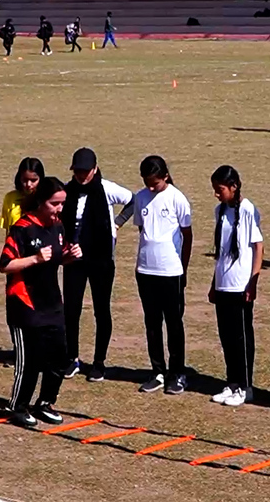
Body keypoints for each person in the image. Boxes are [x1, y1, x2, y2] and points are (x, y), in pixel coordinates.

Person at [0, 177, 83, 428]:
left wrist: (69, 257)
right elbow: (5, 265)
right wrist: (34, 258)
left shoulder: (57, 226)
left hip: (52, 303)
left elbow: (56, 259)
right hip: (25, 304)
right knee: (30, 360)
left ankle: (45, 402)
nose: (59, 209)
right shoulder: (22, 228)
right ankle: (18, 405)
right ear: (40, 201)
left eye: (62, 204)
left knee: (59, 356)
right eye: (54, 204)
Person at [61, 147, 135, 382]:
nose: (81, 176)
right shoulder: (68, 190)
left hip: (101, 260)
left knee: (101, 310)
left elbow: (132, 201)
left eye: (85, 171)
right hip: (74, 259)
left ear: (94, 169)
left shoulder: (106, 189)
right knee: (70, 309)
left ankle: (99, 363)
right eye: (77, 171)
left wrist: (117, 224)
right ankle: (71, 358)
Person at [132, 155, 192, 395]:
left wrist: (183, 267)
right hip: (145, 269)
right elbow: (141, 228)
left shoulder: (178, 199)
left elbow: (187, 236)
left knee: (174, 323)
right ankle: (157, 370)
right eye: (146, 182)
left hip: (171, 271)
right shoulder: (141, 197)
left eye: (154, 182)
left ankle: (177, 373)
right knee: (152, 323)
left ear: (165, 176)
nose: (150, 187)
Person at [207, 166, 264, 408]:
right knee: (226, 336)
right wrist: (213, 282)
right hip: (223, 284)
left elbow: (258, 247)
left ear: (234, 187)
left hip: (241, 285)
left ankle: (245, 386)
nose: (217, 194)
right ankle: (232, 382)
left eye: (220, 189)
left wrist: (253, 280)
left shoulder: (249, 209)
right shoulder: (219, 211)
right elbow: (220, 252)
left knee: (241, 337)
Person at [1, 157, 43, 233]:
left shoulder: (46, 200)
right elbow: (8, 230)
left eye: (33, 180)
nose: (28, 184)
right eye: (25, 180)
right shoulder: (10, 198)